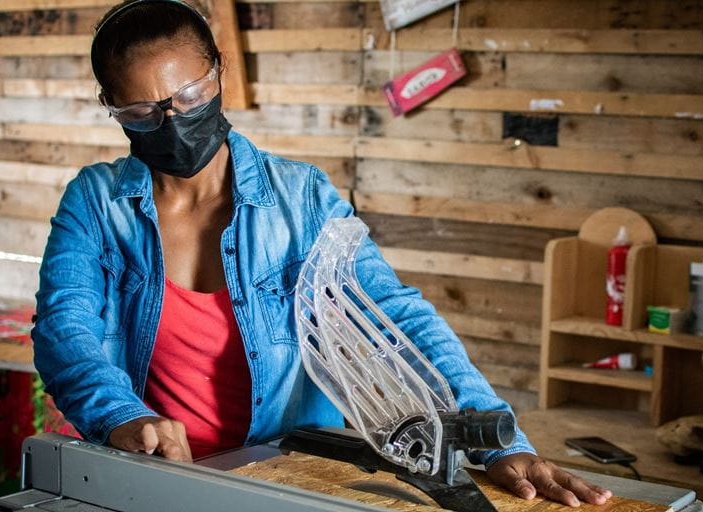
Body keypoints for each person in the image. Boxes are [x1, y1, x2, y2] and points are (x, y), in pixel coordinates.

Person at [31, 0, 611, 507]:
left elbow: (395, 319)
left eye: (189, 95)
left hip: (287, 473)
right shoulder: (96, 201)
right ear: (110, 105)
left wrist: (497, 443)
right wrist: (121, 417)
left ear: (219, 72)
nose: (172, 121)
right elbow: (66, 331)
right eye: (141, 111)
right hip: (155, 476)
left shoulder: (303, 198)